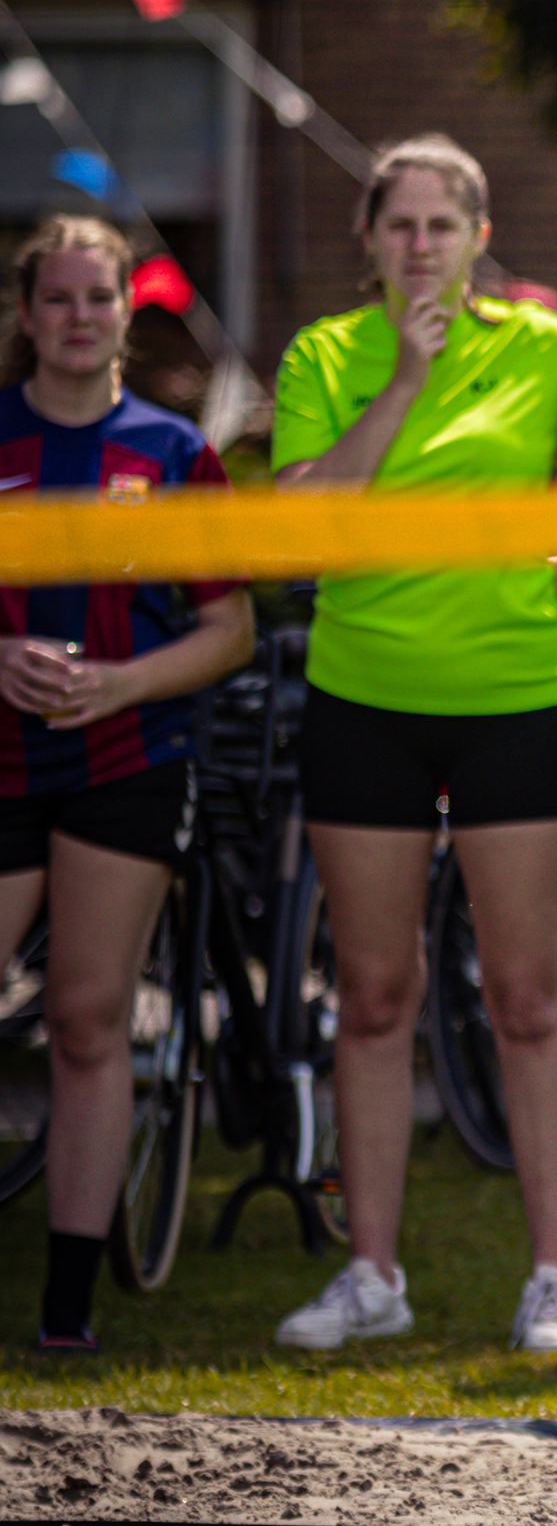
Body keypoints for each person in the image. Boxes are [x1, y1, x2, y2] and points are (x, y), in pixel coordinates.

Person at [267, 134, 557, 1356]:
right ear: (368, 243)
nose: (418, 247)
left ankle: (552, 1278)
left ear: (478, 238)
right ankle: (371, 1274)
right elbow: (297, 527)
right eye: (397, 227)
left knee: (527, 997)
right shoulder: (326, 357)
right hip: (365, 701)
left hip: (517, 700)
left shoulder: (540, 349)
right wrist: (398, 384)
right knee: (374, 995)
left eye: (440, 227)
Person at [0, 214, 254, 1352]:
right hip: (4, 763)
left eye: (97, 297)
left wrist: (121, 682)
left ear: (125, 311)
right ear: (24, 315)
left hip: (125, 760)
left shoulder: (171, 452)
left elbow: (229, 628)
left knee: (90, 1021)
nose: (77, 316)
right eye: (56, 298)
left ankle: (67, 1311)